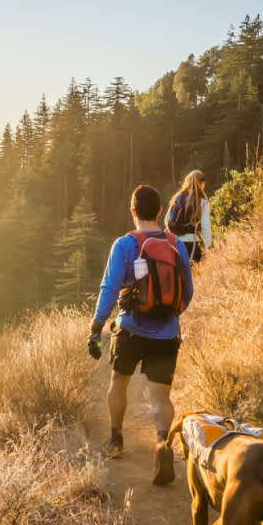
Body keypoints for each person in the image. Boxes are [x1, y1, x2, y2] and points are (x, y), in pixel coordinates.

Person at [87, 184, 193, 485]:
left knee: (118, 382)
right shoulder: (176, 244)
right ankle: (162, 444)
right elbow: (188, 291)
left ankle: (116, 440)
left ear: (132, 211)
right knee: (161, 395)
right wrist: (169, 314)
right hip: (167, 333)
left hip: (131, 329)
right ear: (160, 211)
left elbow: (109, 289)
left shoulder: (124, 244)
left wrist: (96, 328)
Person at [165, 169, 211, 264]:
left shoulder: (178, 197)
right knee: (192, 275)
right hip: (191, 243)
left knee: (177, 275)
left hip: (174, 243)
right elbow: (205, 226)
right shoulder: (202, 202)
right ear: (202, 183)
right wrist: (208, 247)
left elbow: (167, 220)